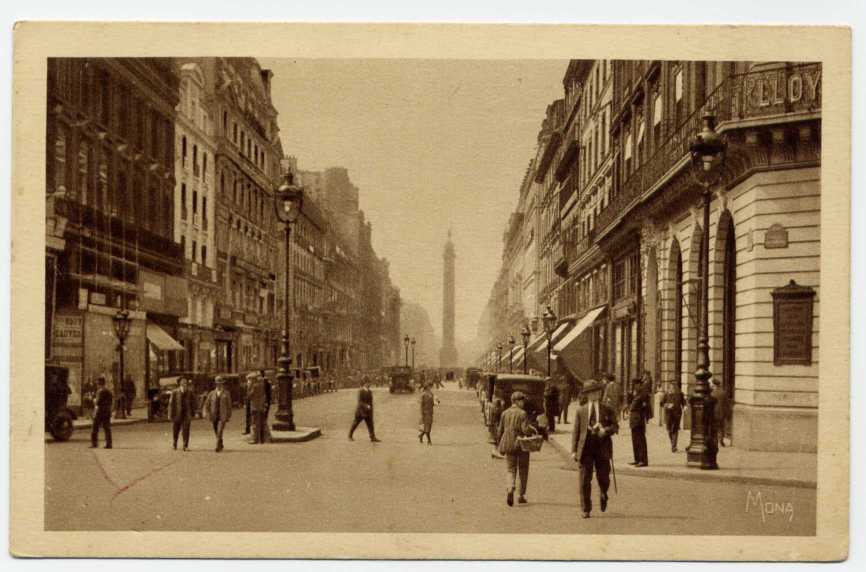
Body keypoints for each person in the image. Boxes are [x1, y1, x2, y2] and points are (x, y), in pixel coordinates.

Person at [571, 380, 619, 518]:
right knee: (584, 479)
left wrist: (606, 430)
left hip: (602, 446)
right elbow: (576, 431)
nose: (594, 394)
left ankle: (603, 493)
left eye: (596, 392)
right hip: (585, 448)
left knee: (604, 477)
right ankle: (586, 509)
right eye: (591, 392)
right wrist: (574, 450)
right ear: (586, 395)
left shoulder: (607, 408)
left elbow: (615, 426)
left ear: (599, 393)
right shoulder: (581, 410)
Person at [497, 391, 536, 506]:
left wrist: (500, 443)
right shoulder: (522, 413)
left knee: (510, 469)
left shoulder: (505, 413)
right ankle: (521, 495)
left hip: (508, 444)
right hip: (521, 444)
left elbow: (500, 430)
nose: (523, 403)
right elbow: (525, 430)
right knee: (523, 470)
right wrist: (532, 430)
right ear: (517, 401)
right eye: (521, 400)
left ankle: (510, 488)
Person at [204, 376, 232, 452]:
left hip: (223, 415)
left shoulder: (226, 393)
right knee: (216, 431)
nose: (219, 385)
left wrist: (229, 415)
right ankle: (220, 443)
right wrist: (207, 413)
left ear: (223, 384)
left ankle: (217, 446)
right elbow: (207, 404)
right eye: (217, 384)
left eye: (220, 384)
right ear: (215, 384)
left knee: (220, 430)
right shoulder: (211, 393)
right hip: (214, 415)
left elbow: (229, 405)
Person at [169, 377, 195, 451]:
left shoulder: (190, 392)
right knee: (175, 430)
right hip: (177, 414)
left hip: (186, 414)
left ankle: (185, 445)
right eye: (183, 382)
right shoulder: (175, 392)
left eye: (185, 382)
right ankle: (174, 444)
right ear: (179, 383)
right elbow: (171, 404)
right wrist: (170, 414)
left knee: (186, 430)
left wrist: (193, 413)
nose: (184, 383)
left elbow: (193, 403)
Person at [628, 377, 650, 467]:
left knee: (640, 440)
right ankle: (637, 459)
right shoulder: (635, 393)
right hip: (634, 419)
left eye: (635, 385)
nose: (634, 387)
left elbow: (645, 406)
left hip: (639, 419)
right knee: (635, 440)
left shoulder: (643, 394)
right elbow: (630, 404)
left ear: (639, 385)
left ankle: (643, 460)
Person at [90, 376, 113, 449]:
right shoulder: (109, 391)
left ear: (99, 383)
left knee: (94, 428)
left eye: (97, 383)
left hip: (100, 411)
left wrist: (93, 400)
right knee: (107, 428)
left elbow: (97, 402)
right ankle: (109, 444)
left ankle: (94, 443)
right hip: (107, 411)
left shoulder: (100, 391)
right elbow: (111, 401)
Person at [661, 383, 685, 452]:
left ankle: (674, 446)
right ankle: (673, 443)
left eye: (674, 388)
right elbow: (661, 403)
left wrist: (685, 407)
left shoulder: (680, 394)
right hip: (668, 415)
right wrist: (667, 405)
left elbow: (683, 402)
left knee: (675, 430)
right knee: (669, 430)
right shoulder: (666, 394)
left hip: (677, 415)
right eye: (671, 388)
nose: (672, 389)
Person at [247, 372, 267, 444]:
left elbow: (249, 396)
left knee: (254, 423)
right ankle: (262, 439)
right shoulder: (261, 385)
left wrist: (249, 388)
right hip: (261, 406)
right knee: (261, 422)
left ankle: (255, 439)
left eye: (249, 379)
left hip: (255, 406)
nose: (248, 381)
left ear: (253, 379)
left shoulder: (254, 387)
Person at [713, 381, 731, 448]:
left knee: (714, 428)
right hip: (721, 413)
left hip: (714, 413)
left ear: (715, 385)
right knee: (721, 428)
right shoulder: (723, 393)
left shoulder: (712, 393)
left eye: (713, 385)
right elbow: (727, 404)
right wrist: (728, 414)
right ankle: (721, 441)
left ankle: (715, 441)